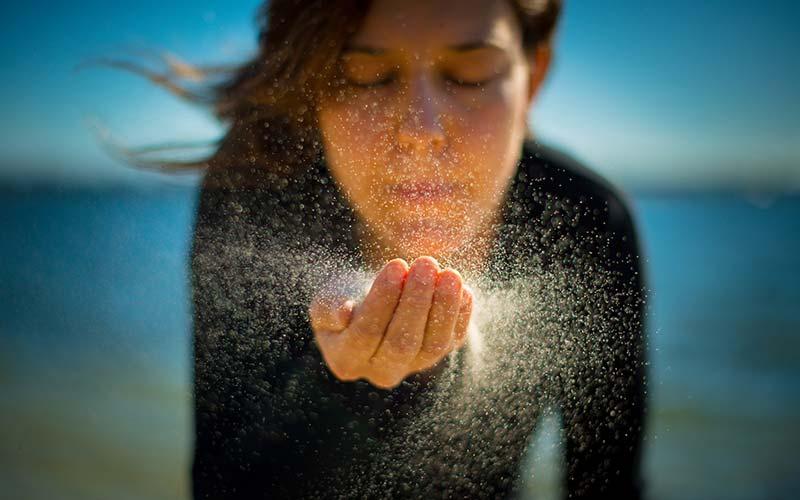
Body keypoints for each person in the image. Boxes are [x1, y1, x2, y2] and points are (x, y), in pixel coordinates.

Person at [124, 0, 647, 497]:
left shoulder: (584, 221)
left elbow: (607, 485)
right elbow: (221, 482)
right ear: (314, 87)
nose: (421, 130)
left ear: (532, 79)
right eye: (366, 77)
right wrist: (342, 389)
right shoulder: (256, 189)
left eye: (470, 75)